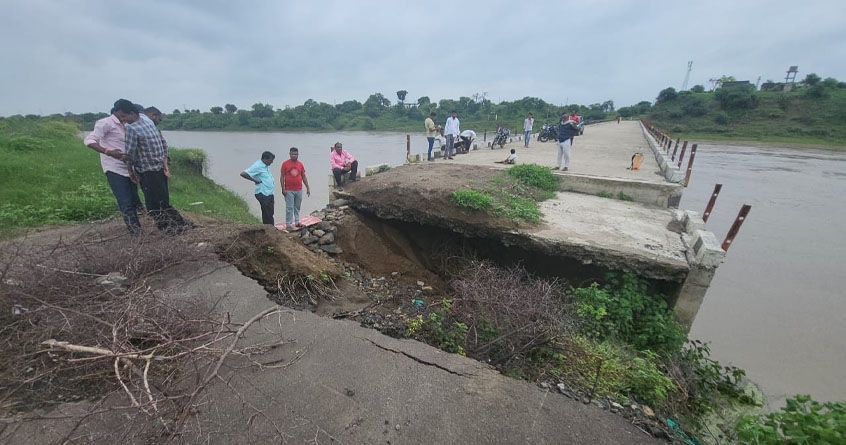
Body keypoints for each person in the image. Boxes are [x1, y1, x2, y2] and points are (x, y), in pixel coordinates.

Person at [116, 99, 190, 234]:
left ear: (132, 113)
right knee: (163, 201)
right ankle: (178, 225)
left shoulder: (131, 128)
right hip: (158, 168)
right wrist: (165, 163)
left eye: (124, 117)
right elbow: (162, 142)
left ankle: (169, 228)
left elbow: (130, 154)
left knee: (153, 205)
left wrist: (130, 172)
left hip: (148, 171)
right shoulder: (147, 119)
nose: (123, 120)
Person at [84, 105, 144, 234]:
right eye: (123, 114)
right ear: (117, 111)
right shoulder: (105, 123)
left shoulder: (127, 124)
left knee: (134, 200)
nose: (124, 117)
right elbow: (89, 140)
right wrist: (108, 152)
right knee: (125, 201)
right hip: (114, 169)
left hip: (129, 168)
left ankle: (137, 229)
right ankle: (136, 233)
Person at [240, 151, 276, 225]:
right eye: (271, 160)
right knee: (267, 213)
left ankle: (271, 228)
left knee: (270, 212)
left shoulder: (265, 166)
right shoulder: (257, 166)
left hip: (269, 193)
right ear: (265, 159)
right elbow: (243, 173)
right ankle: (268, 228)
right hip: (262, 193)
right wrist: (254, 180)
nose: (272, 162)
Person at [280, 147, 310, 229]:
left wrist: (307, 187)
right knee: (289, 207)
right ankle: (288, 224)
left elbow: (303, 176)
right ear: (289, 154)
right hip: (289, 189)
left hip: (299, 189)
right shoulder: (285, 164)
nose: (294, 156)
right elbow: (282, 177)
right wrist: (283, 188)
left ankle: (297, 222)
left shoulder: (300, 164)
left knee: (297, 206)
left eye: (296, 154)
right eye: (292, 154)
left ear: (298, 155)